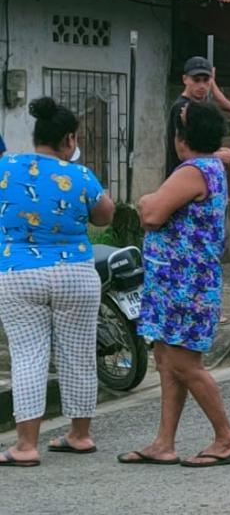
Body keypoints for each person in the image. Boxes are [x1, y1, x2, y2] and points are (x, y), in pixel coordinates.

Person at [121, 101, 230, 467]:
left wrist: (146, 201)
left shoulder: (192, 169)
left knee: (184, 362)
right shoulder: (213, 167)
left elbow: (152, 214)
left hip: (183, 284)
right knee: (166, 359)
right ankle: (164, 442)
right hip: (179, 281)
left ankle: (226, 438)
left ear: (180, 138)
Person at [0, 98, 114, 467]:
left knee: (28, 355)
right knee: (79, 354)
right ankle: (80, 435)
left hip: (19, 274)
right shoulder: (79, 174)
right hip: (76, 275)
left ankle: (26, 446)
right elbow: (104, 216)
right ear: (69, 138)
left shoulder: (5, 167)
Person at [166, 56, 213, 175]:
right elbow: (183, 151)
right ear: (185, 79)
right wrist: (216, 156)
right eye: (196, 80)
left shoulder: (198, 106)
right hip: (184, 175)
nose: (202, 86)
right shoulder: (183, 107)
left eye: (205, 80)